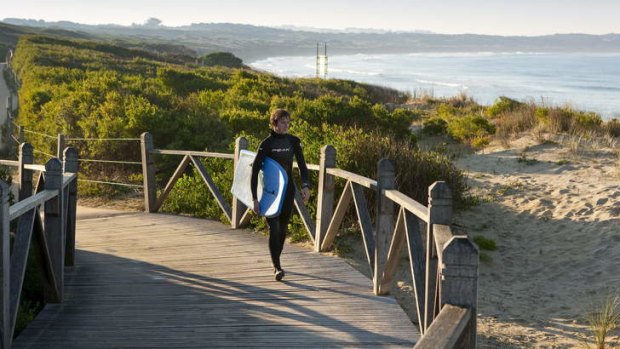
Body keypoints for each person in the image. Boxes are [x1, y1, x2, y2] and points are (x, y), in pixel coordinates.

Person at [251, 109, 310, 281]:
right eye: (283, 122)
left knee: (283, 228)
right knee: (274, 227)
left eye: (288, 122)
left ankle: (276, 260)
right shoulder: (266, 144)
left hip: (287, 191)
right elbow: (254, 172)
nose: (286, 125)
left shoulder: (293, 142)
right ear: (274, 123)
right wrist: (255, 198)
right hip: (270, 192)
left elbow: (302, 166)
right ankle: (277, 266)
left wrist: (305, 186)